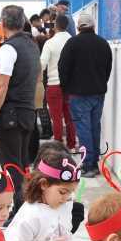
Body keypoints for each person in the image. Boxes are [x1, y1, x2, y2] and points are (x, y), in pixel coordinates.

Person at [0, 5, 39, 208]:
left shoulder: (9, 48)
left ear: (2, 23)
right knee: (24, 164)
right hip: (28, 112)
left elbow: (1, 87)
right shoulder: (32, 45)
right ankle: (28, 205)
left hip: (10, 115)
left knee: (11, 166)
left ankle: (18, 209)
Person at [58, 13, 112, 178]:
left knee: (83, 129)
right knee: (94, 127)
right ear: (93, 26)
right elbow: (108, 68)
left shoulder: (72, 43)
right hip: (98, 93)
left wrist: (66, 88)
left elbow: (63, 67)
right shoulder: (103, 44)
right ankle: (94, 161)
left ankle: (88, 165)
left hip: (78, 94)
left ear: (78, 27)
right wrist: (101, 84)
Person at [39, 14, 75, 149]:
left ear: (55, 26)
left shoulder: (50, 43)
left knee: (56, 118)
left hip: (54, 85)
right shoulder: (73, 41)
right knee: (70, 117)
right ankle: (71, 144)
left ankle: (59, 146)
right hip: (71, 86)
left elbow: (42, 64)